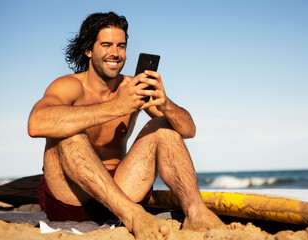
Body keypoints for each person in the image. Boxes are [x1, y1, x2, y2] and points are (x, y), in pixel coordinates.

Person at [28, 12, 225, 239]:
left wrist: (167, 104)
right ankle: (132, 215)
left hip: (121, 190)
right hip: (71, 198)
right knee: (68, 131)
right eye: (106, 45)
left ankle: (196, 212)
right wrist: (117, 107)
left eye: (121, 46)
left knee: (163, 125)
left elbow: (189, 130)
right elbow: (36, 123)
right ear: (88, 50)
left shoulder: (132, 87)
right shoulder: (69, 86)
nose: (115, 53)